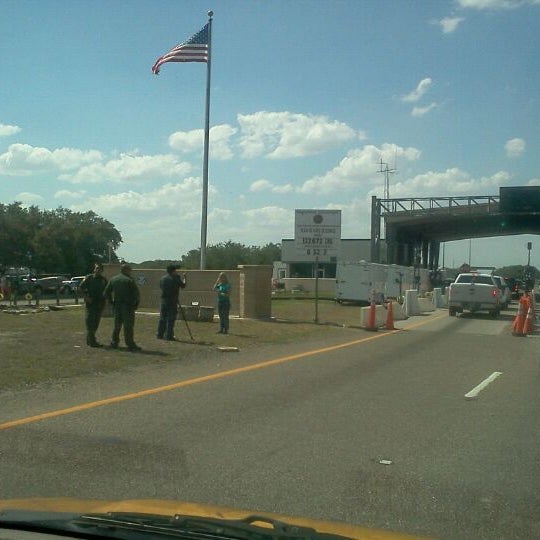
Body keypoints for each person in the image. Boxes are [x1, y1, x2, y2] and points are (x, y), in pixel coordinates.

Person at [103, 264, 141, 352]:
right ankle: (130, 344)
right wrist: (135, 305)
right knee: (128, 326)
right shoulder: (129, 280)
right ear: (126, 270)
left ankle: (114, 342)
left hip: (117, 306)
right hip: (128, 306)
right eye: (129, 270)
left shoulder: (113, 279)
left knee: (117, 325)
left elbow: (106, 292)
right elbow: (136, 295)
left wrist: (111, 302)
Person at [79, 262, 108, 347]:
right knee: (90, 322)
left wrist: (106, 301)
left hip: (100, 304)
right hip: (91, 304)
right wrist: (86, 298)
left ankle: (90, 340)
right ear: (94, 269)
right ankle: (92, 341)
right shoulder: (89, 278)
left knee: (96, 323)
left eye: (99, 268)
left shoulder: (103, 280)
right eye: (96, 268)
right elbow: (80, 288)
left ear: (102, 270)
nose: (97, 270)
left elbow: (106, 291)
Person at [157, 264, 186, 341]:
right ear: (173, 271)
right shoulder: (176, 278)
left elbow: (161, 287)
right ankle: (169, 335)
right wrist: (185, 278)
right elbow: (183, 286)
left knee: (162, 318)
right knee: (171, 318)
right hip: (172, 301)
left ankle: (160, 334)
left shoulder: (162, 279)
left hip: (164, 300)